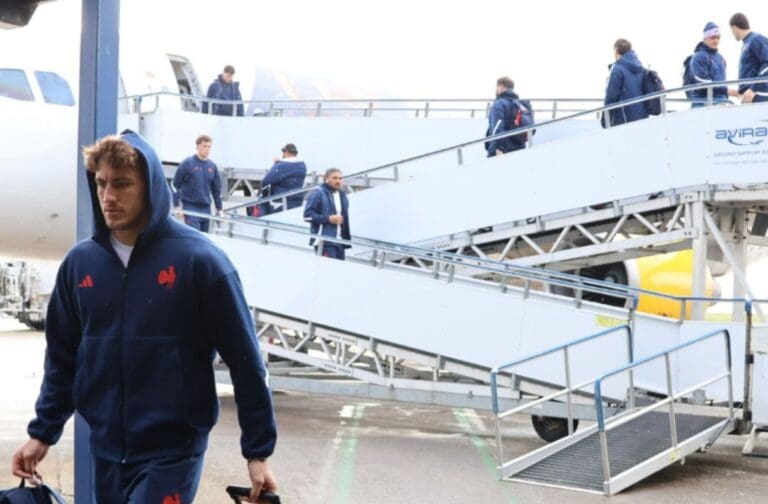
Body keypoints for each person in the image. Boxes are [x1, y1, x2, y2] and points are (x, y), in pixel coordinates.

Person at [11, 131, 277, 503]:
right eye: (102, 183)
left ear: (149, 186)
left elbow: (246, 362)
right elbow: (63, 358)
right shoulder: (79, 264)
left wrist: (258, 451)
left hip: (173, 451)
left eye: (122, 184)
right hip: (105, 449)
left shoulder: (201, 262)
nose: (109, 196)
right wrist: (43, 432)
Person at [172, 134, 223, 233]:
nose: (207, 149)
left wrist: (219, 209)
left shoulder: (212, 166)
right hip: (190, 206)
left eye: (209, 147)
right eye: (204, 146)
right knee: (196, 235)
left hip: (206, 208)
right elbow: (175, 184)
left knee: (205, 238)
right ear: (197, 146)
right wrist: (177, 205)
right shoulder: (188, 163)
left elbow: (217, 190)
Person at [303, 168, 350, 260]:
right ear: (326, 179)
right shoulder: (318, 193)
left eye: (340, 178)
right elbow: (307, 216)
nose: (338, 181)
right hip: (324, 241)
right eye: (335, 178)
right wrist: (328, 219)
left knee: (339, 272)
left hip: (340, 241)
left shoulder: (342, 195)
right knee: (327, 272)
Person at [685, 22, 734, 106]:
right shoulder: (699, 57)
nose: (716, 41)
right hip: (703, 104)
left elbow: (722, 83)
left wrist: (726, 96)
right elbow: (704, 83)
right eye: (713, 37)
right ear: (705, 38)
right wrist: (728, 91)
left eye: (718, 37)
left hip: (721, 102)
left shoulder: (721, 58)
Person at [604, 39, 649, 126]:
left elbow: (611, 96)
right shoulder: (640, 67)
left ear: (616, 50)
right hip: (642, 117)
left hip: (623, 120)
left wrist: (604, 119)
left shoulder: (617, 69)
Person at [485, 77, 531, 157]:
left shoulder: (499, 103)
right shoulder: (520, 105)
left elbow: (497, 127)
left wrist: (496, 148)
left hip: (502, 151)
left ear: (501, 87)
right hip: (520, 149)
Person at [258, 143, 308, 217]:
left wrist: (276, 164)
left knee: (262, 200)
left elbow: (266, 181)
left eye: (283, 152)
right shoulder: (302, 165)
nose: (282, 154)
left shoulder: (282, 165)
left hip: (280, 203)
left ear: (286, 152)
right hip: (296, 202)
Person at [729, 13, 768, 104]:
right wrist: (740, 90)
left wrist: (753, 89)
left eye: (731, 30)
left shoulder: (756, 39)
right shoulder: (746, 43)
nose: (732, 33)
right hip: (748, 96)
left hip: (758, 95)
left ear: (735, 28)